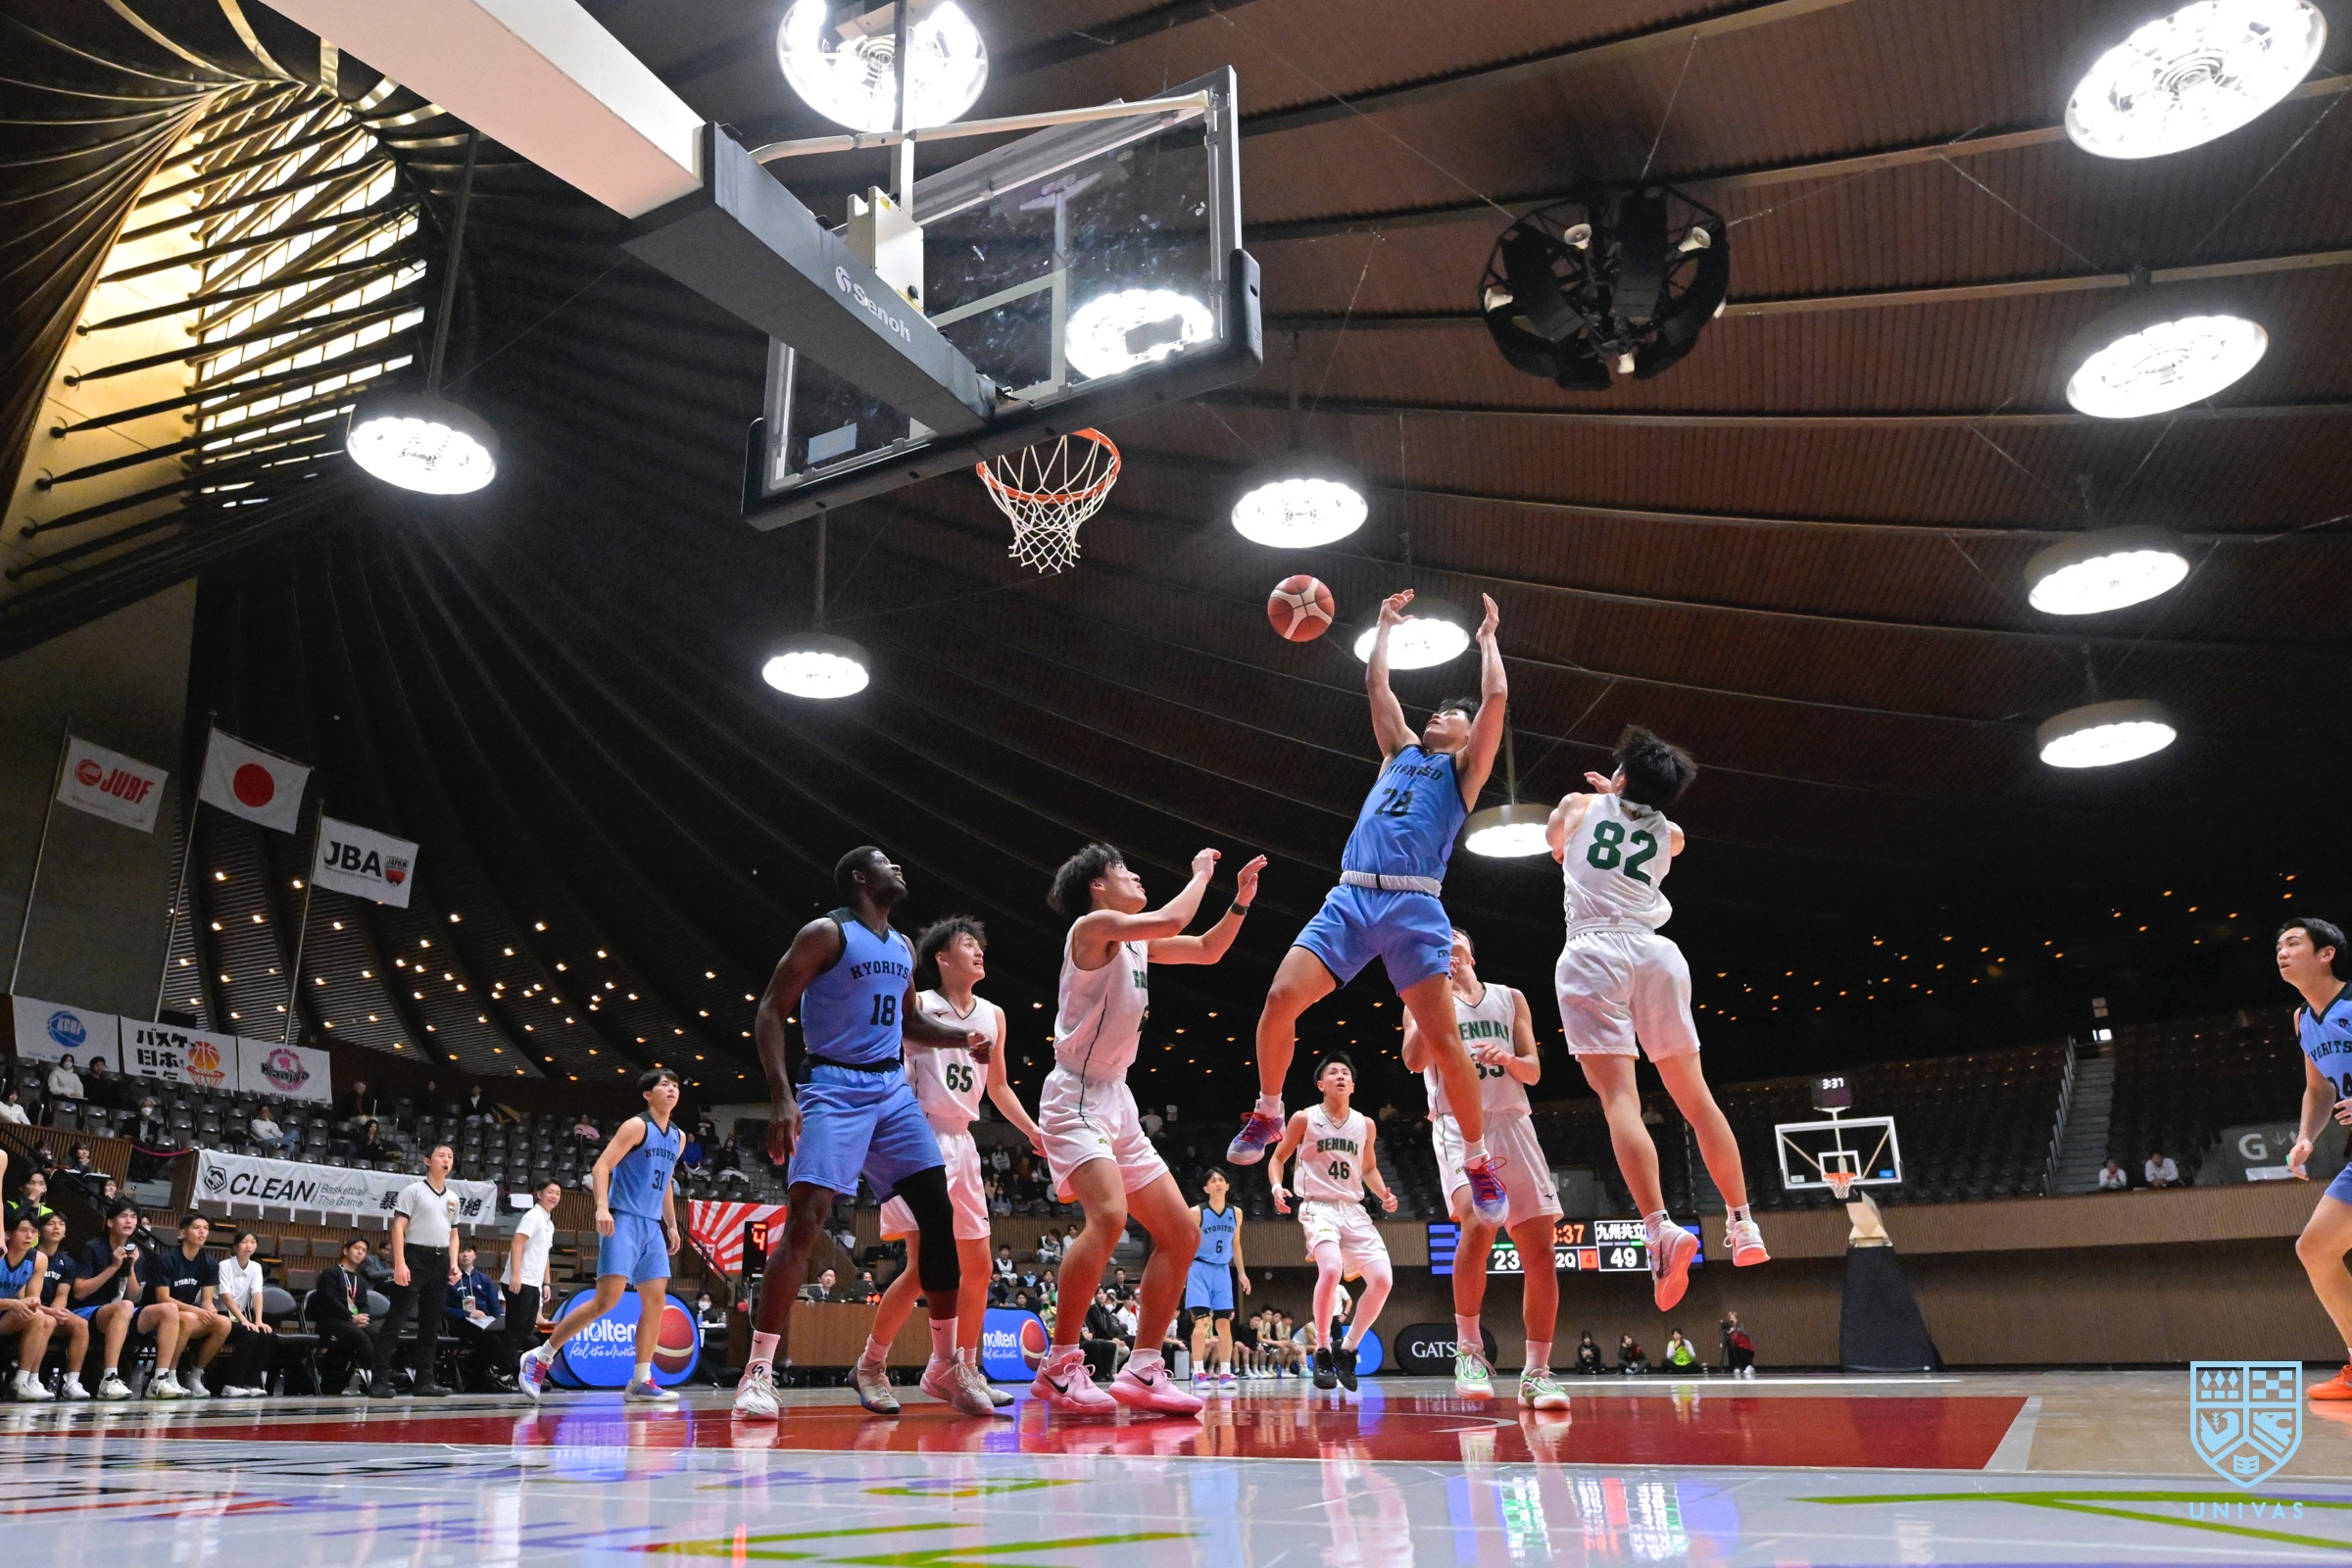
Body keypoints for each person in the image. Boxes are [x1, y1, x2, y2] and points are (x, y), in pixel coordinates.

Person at [1231, 592, 1511, 1239]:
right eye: (1436, 710)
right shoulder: (1398, 751)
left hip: (1414, 903)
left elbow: (1495, 698)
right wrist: (1382, 628)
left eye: (1450, 714)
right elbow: (1376, 684)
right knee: (1278, 998)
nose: (1437, 714)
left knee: (1444, 1042)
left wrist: (1488, 641)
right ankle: (1269, 1110)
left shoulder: (1465, 769)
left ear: (1467, 734)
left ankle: (1476, 1161)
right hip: (1352, 896)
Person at [734, 848, 996, 1422]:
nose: (897, 867)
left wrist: (962, 1038)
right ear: (859, 877)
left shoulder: (901, 946)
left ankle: (946, 1364)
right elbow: (771, 1010)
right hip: (832, 1086)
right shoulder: (826, 934)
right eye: (884, 861)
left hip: (891, 1091)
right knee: (807, 1220)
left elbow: (910, 1022)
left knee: (939, 1213)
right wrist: (781, 1096)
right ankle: (758, 1371)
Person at [1032, 839, 1265, 1417]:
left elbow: (1208, 948)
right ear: (1097, 885)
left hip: (1117, 1099)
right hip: (1075, 1094)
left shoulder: (1136, 944)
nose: (1137, 876)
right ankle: (1059, 1365)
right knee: (1109, 1216)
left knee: (1182, 1233)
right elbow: (1175, 918)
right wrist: (1201, 874)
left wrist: (1238, 901)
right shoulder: (1092, 928)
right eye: (1125, 870)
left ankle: (1142, 1369)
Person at [1546, 725, 1768, 1312]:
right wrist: (1624, 795)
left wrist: (1604, 797)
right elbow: (1653, 826)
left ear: (1619, 774)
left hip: (1593, 950)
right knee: (1695, 1096)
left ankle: (1658, 1228)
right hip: (1656, 954)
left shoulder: (1576, 805)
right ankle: (1743, 1222)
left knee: (1620, 1097)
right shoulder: (1672, 834)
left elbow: (1558, 847)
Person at [861, 915, 1047, 1415]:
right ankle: (871, 1364)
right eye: (968, 944)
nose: (979, 951)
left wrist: (1031, 1130)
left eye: (980, 945)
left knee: (979, 1267)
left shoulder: (993, 1014)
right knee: (924, 1269)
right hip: (918, 1136)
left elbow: (998, 1087)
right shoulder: (918, 1006)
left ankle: (962, 1367)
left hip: (963, 1142)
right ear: (942, 958)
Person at [1400, 926, 1567, 1409]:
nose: (1446, 939)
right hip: (1457, 1122)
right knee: (1478, 1220)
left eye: (1454, 936)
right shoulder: (1420, 996)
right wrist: (1433, 995)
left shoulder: (1510, 998)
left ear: (1471, 952)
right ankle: (1469, 1350)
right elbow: (1413, 1060)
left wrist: (1509, 1059)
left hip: (1512, 1122)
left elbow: (1534, 1070)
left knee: (1541, 1250)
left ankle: (1537, 1373)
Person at [521, 1069, 688, 1403]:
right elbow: (601, 1167)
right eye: (664, 1085)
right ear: (647, 1094)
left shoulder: (679, 1137)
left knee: (656, 1301)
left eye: (675, 1085)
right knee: (607, 1300)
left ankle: (641, 1380)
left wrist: (671, 1224)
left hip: (651, 1225)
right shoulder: (637, 1126)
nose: (672, 1089)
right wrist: (601, 1207)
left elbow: (666, 1182)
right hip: (623, 1218)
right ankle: (541, 1355)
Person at [1266, 1054, 1397, 1394]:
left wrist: (1383, 1193)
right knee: (1330, 1269)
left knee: (1383, 1280)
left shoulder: (1365, 1124)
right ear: (1320, 1084)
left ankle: (1347, 1349)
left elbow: (1368, 1168)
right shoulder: (1304, 1118)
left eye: (1345, 1073)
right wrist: (1277, 1186)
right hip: (1318, 1206)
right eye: (1333, 1072)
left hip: (1353, 1209)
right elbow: (1278, 1158)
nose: (1340, 1076)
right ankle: (1323, 1348)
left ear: (1352, 1085)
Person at [2280, 916, 2352, 1401]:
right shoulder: (2303, 1019)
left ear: (2326, 954)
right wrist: (2306, 1136)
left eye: (2293, 943)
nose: (2281, 952)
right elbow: (2319, 1088)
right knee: (2315, 1248)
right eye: (2278, 947)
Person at [371, 1144, 465, 1398]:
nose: (446, 1160)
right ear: (427, 1161)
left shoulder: (453, 1198)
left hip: (440, 1261)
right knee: (396, 1319)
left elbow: (453, 1235)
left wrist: (453, 1263)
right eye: (441, 1155)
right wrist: (400, 1263)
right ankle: (378, 1380)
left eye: (450, 1156)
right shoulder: (413, 1191)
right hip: (415, 1257)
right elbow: (398, 1228)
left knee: (431, 1324)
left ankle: (425, 1381)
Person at [73, 1198, 186, 1398]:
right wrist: (114, 1267)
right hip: (88, 1311)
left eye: (133, 1217)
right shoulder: (92, 1247)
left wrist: (130, 1267)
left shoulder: (136, 1252)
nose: (129, 1221)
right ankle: (109, 1379)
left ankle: (159, 1380)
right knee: (124, 1306)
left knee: (169, 1309)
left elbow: (134, 1297)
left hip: (122, 1311)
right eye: (123, 1216)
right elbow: (79, 1292)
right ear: (110, 1222)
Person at [153, 1213, 236, 1395]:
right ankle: (170, 1374)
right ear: (183, 1232)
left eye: (206, 1229)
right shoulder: (168, 1258)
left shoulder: (209, 1263)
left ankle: (195, 1375)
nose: (202, 1232)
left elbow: (206, 1300)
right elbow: (162, 1298)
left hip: (188, 1314)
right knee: (189, 1318)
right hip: (160, 1314)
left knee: (223, 1323)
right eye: (197, 1228)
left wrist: (210, 1310)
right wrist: (196, 1311)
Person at [1184, 1168, 1249, 1391]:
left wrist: (1242, 1273)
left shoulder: (1236, 1213)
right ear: (1206, 1188)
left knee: (1223, 1323)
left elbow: (1235, 1244)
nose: (1218, 1183)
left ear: (1227, 1186)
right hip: (1199, 1268)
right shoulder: (1196, 1212)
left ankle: (1226, 1373)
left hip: (1222, 1271)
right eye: (1213, 1181)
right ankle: (1198, 1372)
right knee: (1202, 1322)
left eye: (1222, 1180)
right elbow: (1186, 1243)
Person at [503, 1177, 561, 1377]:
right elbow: (517, 1243)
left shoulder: (548, 1223)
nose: (554, 1196)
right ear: (539, 1194)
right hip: (521, 1281)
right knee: (515, 1329)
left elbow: (544, 1255)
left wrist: (546, 1283)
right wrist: (515, 1275)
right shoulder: (533, 1216)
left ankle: (517, 1371)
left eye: (557, 1193)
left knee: (527, 1330)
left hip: (534, 1284)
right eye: (550, 1192)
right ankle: (503, 1373)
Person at [31, 1212, 90, 1397]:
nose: (56, 1227)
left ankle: (71, 1381)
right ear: (39, 1231)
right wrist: (50, 1313)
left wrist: (56, 1310)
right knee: (46, 1320)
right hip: (32, 1309)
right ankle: (32, 1379)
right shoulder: (30, 1256)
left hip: (50, 1310)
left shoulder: (67, 1263)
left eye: (61, 1224)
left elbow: (62, 1294)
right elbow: (26, 1296)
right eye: (51, 1224)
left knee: (81, 1325)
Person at [308, 1237, 376, 1396]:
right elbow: (330, 1300)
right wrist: (351, 1317)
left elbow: (363, 1303)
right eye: (357, 1248)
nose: (360, 1252)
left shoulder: (360, 1280)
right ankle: (380, 1374)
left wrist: (364, 1317)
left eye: (364, 1250)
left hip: (351, 1323)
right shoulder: (330, 1274)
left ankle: (383, 1372)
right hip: (330, 1321)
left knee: (375, 1332)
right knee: (358, 1335)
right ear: (345, 1251)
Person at [2, 1211, 59, 1400]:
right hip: (6, 1307)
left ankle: (24, 1380)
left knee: (43, 1318)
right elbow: (17, 1303)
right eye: (23, 1231)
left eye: (34, 1232)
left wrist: (33, 1302)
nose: (29, 1236)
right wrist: (13, 1303)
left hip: (6, 1315)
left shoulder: (39, 1259)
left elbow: (34, 1298)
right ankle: (26, 1380)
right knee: (40, 1317)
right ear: (8, 1233)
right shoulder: (1, 1254)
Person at [209, 1229, 273, 1396]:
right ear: (236, 1246)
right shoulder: (224, 1265)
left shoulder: (256, 1267)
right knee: (248, 1334)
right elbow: (226, 1297)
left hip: (239, 1317)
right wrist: (244, 1320)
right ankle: (230, 1385)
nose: (248, 1246)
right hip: (220, 1315)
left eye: (252, 1242)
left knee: (265, 1334)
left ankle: (251, 1383)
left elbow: (257, 1294)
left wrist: (258, 1320)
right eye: (244, 1242)